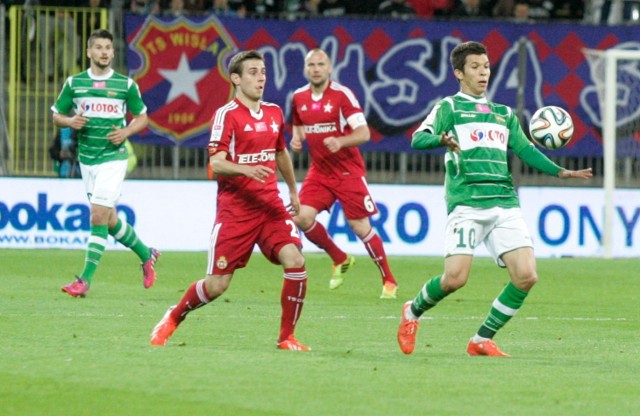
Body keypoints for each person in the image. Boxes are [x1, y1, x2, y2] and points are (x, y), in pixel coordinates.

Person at [396, 41, 593, 357]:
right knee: (455, 279)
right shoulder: (449, 108)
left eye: (486, 66)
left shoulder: (504, 114)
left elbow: (526, 149)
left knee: (527, 276)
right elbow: (418, 138)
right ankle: (412, 311)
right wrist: (440, 139)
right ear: (459, 73)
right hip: (467, 202)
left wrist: (561, 173)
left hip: (504, 203)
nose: (483, 72)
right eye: (474, 67)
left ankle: (480, 339)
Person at [150, 50, 310, 351]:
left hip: (270, 206)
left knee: (296, 261)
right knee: (217, 285)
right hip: (236, 211)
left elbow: (280, 152)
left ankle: (286, 337)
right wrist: (247, 169)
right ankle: (173, 316)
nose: (260, 77)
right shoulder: (226, 115)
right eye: (252, 72)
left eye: (263, 71)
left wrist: (292, 189)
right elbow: (217, 163)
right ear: (235, 79)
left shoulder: (275, 112)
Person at [51, 29, 159, 297]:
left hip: (113, 158)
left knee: (97, 215)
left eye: (107, 48)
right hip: (87, 160)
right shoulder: (75, 83)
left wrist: (126, 132)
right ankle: (147, 254)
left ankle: (84, 280)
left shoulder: (125, 85)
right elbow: (56, 115)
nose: (103, 52)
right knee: (109, 220)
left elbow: (142, 117)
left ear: (113, 52)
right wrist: (70, 121)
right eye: (98, 47)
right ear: (89, 52)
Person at [290, 48, 399, 299]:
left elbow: (364, 133)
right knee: (302, 217)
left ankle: (389, 280)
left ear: (329, 68)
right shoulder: (298, 97)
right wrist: (297, 139)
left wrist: (341, 141)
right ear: (305, 69)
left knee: (359, 226)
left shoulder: (342, 95)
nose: (316, 69)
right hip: (319, 171)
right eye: (311, 65)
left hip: (347, 170)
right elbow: (298, 123)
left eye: (321, 64)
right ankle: (339, 258)